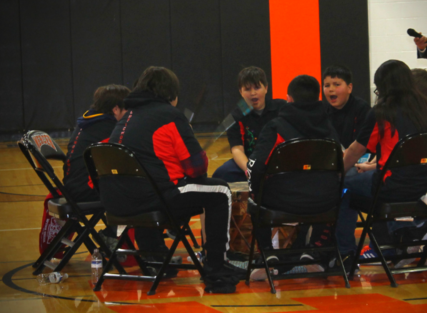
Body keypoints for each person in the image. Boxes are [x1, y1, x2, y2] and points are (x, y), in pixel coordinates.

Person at [99, 66, 240, 293]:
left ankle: (156, 261)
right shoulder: (169, 115)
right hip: (154, 201)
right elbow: (197, 168)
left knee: (148, 185)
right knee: (220, 191)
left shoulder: (127, 117)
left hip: (116, 204)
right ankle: (216, 269)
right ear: (171, 94)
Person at [337, 60, 427, 270]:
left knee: (343, 186)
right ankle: (396, 240)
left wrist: (336, 173)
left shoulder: (383, 112)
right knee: (366, 179)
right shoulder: (426, 108)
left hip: (394, 186)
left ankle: (345, 252)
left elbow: (354, 151)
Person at [247, 75, 341, 280]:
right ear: (318, 99)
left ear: (288, 99)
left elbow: (255, 167)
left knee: (254, 195)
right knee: (324, 188)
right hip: (325, 202)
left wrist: (256, 190)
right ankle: (314, 252)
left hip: (281, 201)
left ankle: (268, 255)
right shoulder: (330, 128)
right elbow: (338, 166)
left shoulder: (276, 127)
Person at [212, 66, 286, 182]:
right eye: (247, 89)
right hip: (250, 162)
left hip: (279, 161)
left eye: (257, 88)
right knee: (221, 174)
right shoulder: (234, 117)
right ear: (240, 92)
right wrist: (249, 170)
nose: (253, 93)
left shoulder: (282, 108)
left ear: (266, 88)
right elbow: (237, 149)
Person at [63, 84, 130, 202]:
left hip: (73, 186)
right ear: (115, 109)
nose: (130, 113)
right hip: (87, 190)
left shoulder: (89, 121)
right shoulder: (109, 129)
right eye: (127, 109)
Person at [322, 65, 370, 150]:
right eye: (327, 85)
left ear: (349, 88)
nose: (331, 89)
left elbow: (364, 144)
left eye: (336, 85)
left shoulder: (362, 109)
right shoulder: (322, 111)